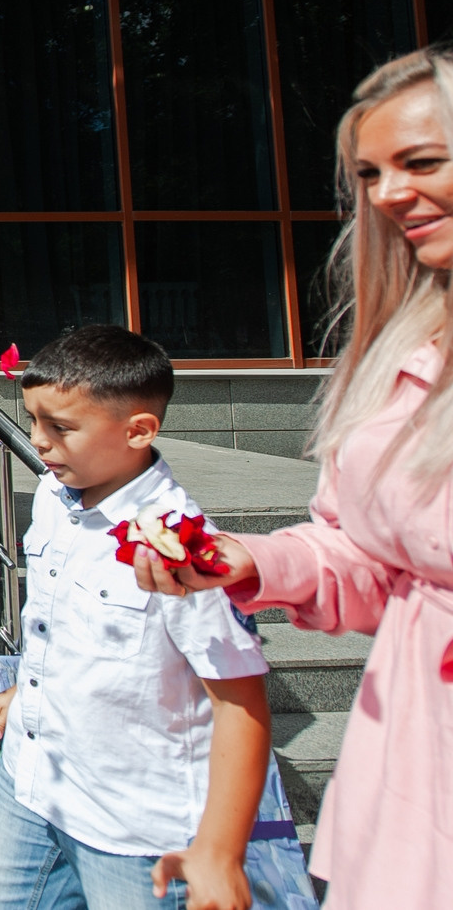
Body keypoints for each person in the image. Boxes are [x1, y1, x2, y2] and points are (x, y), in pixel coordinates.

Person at [132, 48, 453, 909]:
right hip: (410, 762)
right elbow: (365, 549)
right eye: (370, 174)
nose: (388, 195)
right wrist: (248, 562)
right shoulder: (395, 347)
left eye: (422, 163)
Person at [0, 326, 273, 910]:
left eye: (61, 428)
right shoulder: (55, 496)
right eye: (32, 421)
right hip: (30, 781)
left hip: (134, 824)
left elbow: (241, 701)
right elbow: (59, 615)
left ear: (138, 431)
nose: (39, 442)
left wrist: (221, 852)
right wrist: (29, 688)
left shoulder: (179, 543)